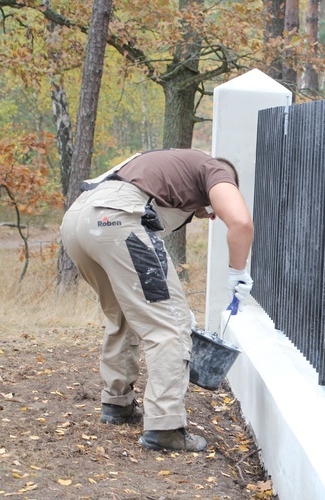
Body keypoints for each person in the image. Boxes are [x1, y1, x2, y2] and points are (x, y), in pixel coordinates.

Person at [60, 148, 254, 452]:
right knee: (170, 326)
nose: (213, 215)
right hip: (118, 219)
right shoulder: (216, 170)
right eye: (215, 205)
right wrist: (238, 273)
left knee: (124, 314)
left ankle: (118, 403)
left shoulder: (169, 165)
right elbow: (241, 224)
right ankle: (165, 428)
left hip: (78, 220)